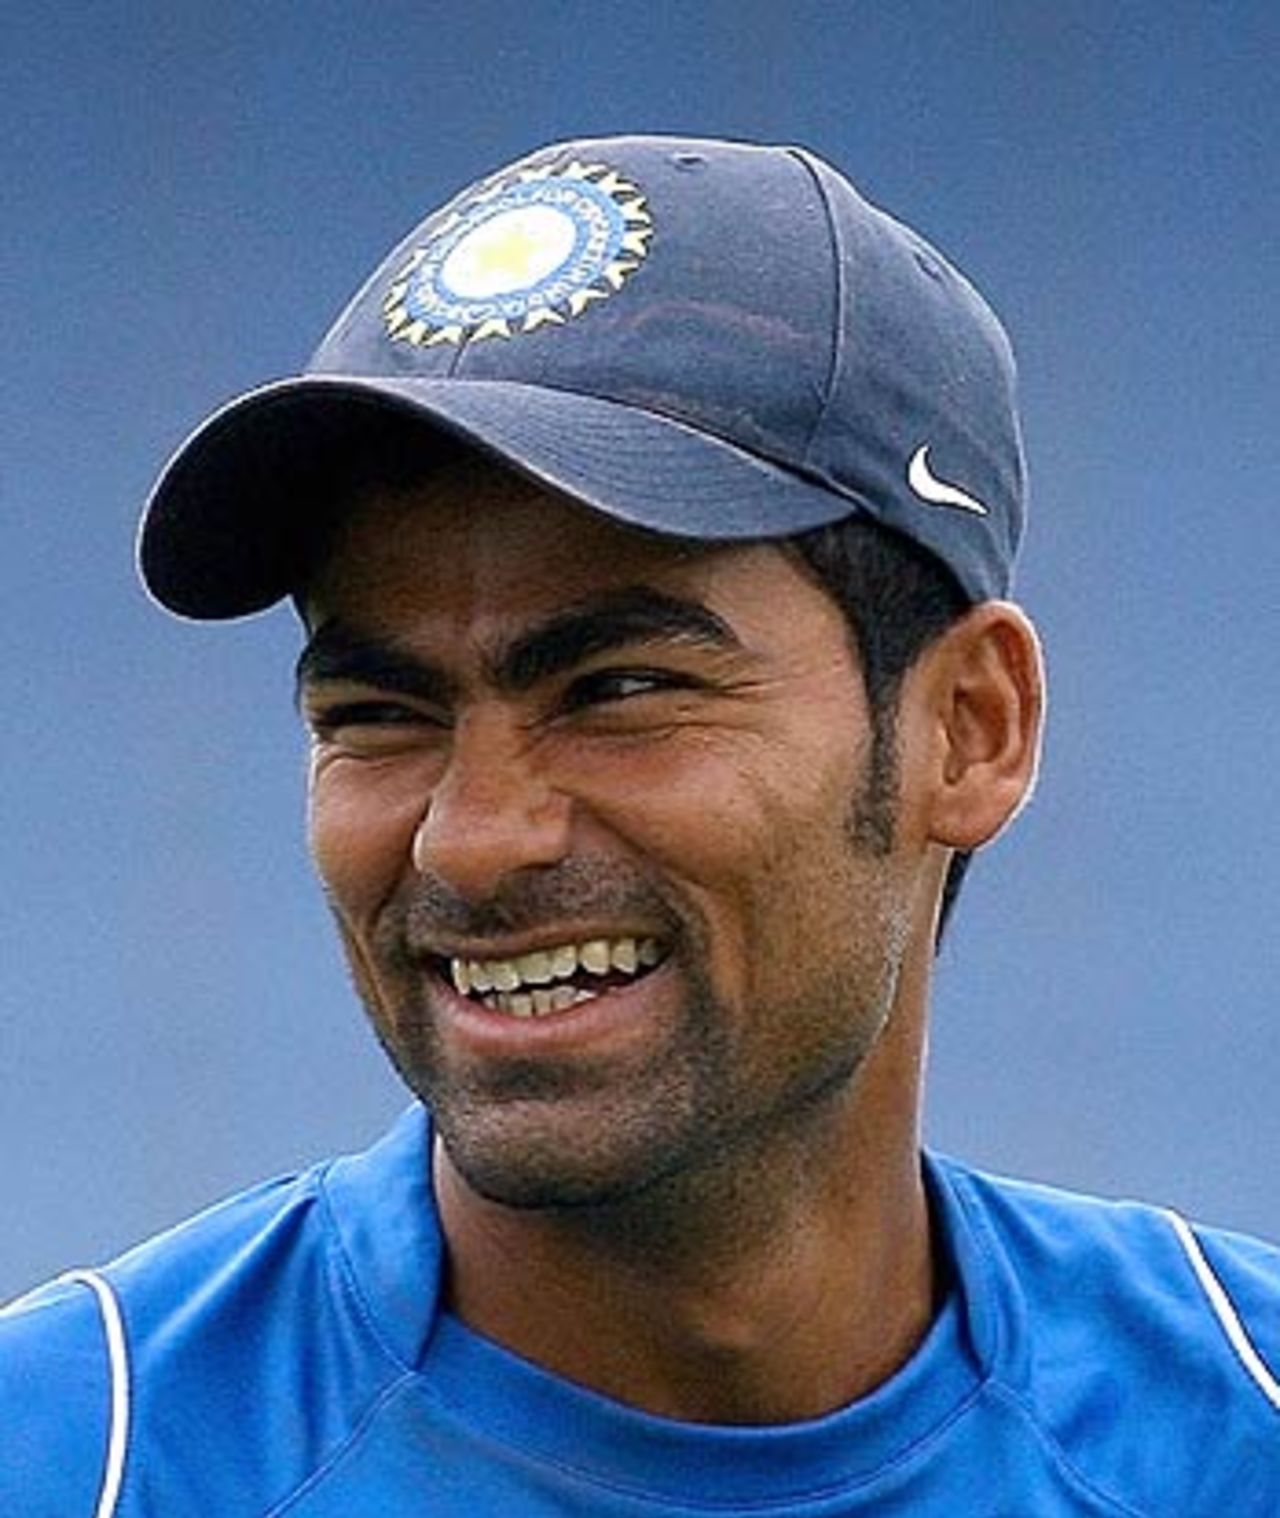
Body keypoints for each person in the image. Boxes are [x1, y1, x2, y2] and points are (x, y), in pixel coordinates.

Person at [3, 135, 1276, 1515]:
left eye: (619, 690)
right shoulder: (79, 1459)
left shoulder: (1237, 1429)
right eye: (378, 712)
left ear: (970, 729)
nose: (471, 841)